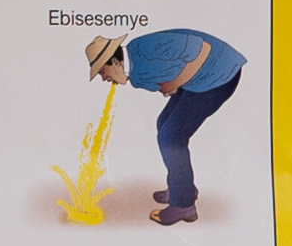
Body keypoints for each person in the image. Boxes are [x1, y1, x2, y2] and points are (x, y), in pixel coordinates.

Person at [83, 27, 248, 227]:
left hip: (219, 74)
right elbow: (168, 76)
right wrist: (172, 84)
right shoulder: (135, 75)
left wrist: (174, 83)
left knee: (171, 137)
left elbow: (203, 49)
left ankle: (183, 204)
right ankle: (182, 187)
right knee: (164, 123)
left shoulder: (145, 48)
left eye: (103, 71)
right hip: (197, 78)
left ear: (116, 62)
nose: (104, 78)